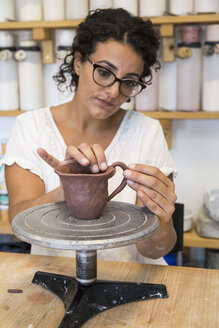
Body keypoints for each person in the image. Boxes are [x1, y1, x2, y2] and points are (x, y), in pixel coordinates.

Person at [1, 8, 177, 265]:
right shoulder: (31, 127)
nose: (113, 92)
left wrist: (163, 217)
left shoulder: (147, 132)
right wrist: (69, 188)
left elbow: (155, 249)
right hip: (56, 279)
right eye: (104, 72)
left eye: (129, 81)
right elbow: (19, 228)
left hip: (131, 280)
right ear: (78, 62)